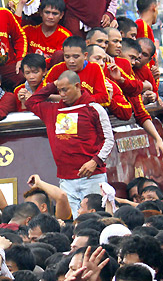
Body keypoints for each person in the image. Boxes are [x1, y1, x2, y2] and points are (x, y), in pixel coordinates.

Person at [26, 70, 114, 214]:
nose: (61, 94)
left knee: (96, 219)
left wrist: (95, 161)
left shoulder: (94, 108)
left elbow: (109, 139)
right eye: (59, 90)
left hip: (92, 177)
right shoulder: (52, 110)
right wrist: (52, 85)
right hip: (65, 179)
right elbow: (31, 102)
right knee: (71, 222)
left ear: (78, 86)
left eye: (65, 89)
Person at [45, 36, 111, 107]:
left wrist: (75, 99)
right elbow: (40, 94)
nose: (71, 61)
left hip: (87, 113)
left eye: (76, 57)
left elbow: (104, 98)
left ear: (85, 55)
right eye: (67, 57)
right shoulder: (57, 69)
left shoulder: (95, 68)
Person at [18, 0, 72, 68]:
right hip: (29, 71)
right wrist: (20, 4)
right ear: (40, 12)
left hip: (52, 74)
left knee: (59, 54)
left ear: (61, 15)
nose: (50, 17)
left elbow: (59, 59)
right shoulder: (28, 30)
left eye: (55, 13)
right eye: (47, 12)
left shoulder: (66, 36)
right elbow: (14, 32)